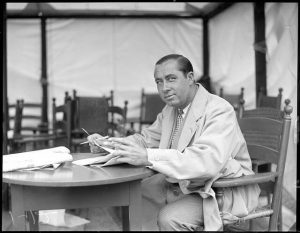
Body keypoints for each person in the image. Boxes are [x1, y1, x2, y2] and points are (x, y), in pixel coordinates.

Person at [87, 54, 260, 231]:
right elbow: (146, 140)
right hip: (185, 184)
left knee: (168, 218)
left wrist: (147, 157)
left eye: (171, 79)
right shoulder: (170, 110)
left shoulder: (219, 110)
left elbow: (206, 162)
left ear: (190, 78)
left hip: (218, 189)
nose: (164, 88)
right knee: (130, 196)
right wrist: (108, 145)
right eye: (159, 82)